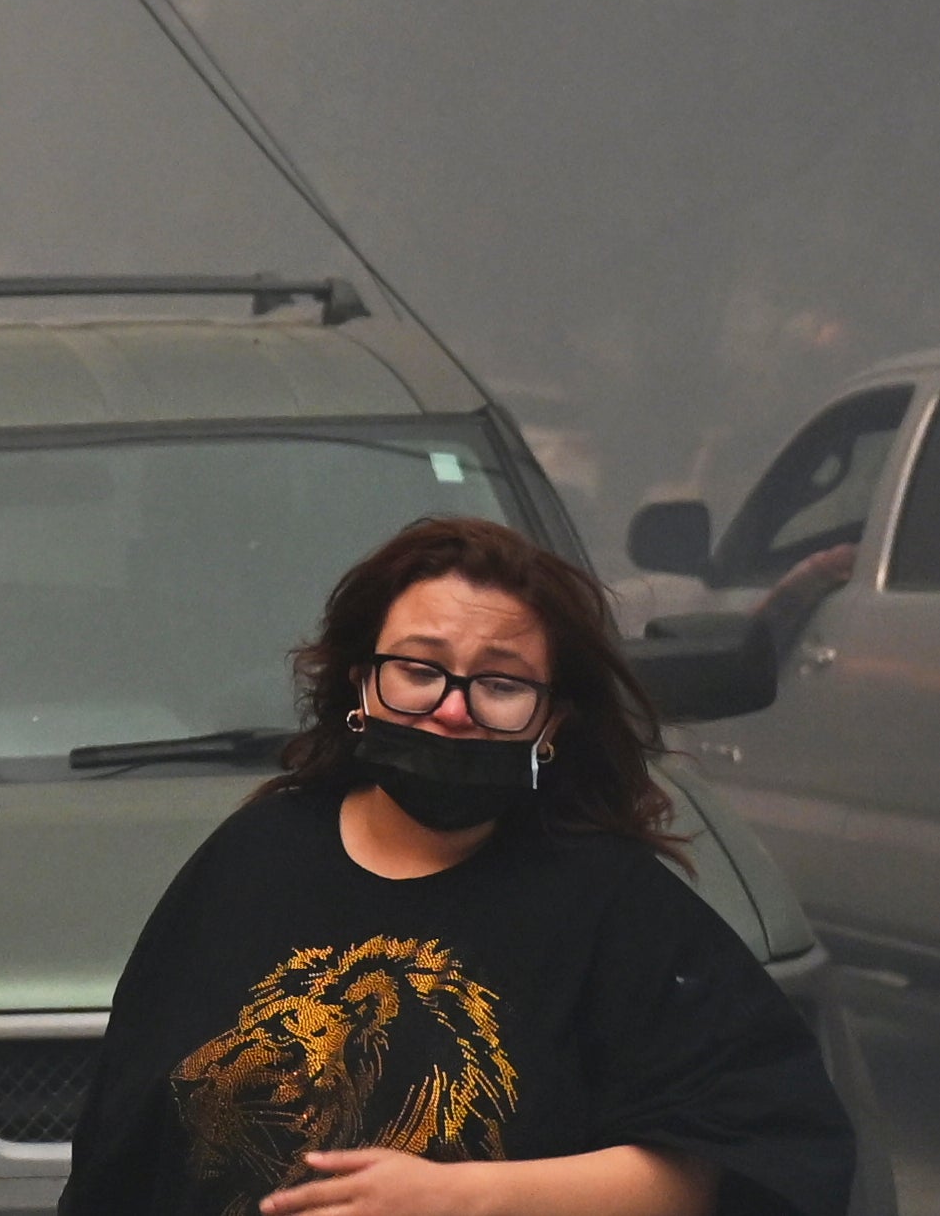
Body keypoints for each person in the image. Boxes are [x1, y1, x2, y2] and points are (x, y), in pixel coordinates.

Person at [66, 515, 854, 1216]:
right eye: (419, 668)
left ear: (549, 719)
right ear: (360, 684)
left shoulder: (614, 908)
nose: (451, 706)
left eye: (500, 683)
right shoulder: (251, 860)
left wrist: (461, 1196)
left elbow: (754, 1168)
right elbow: (122, 1147)